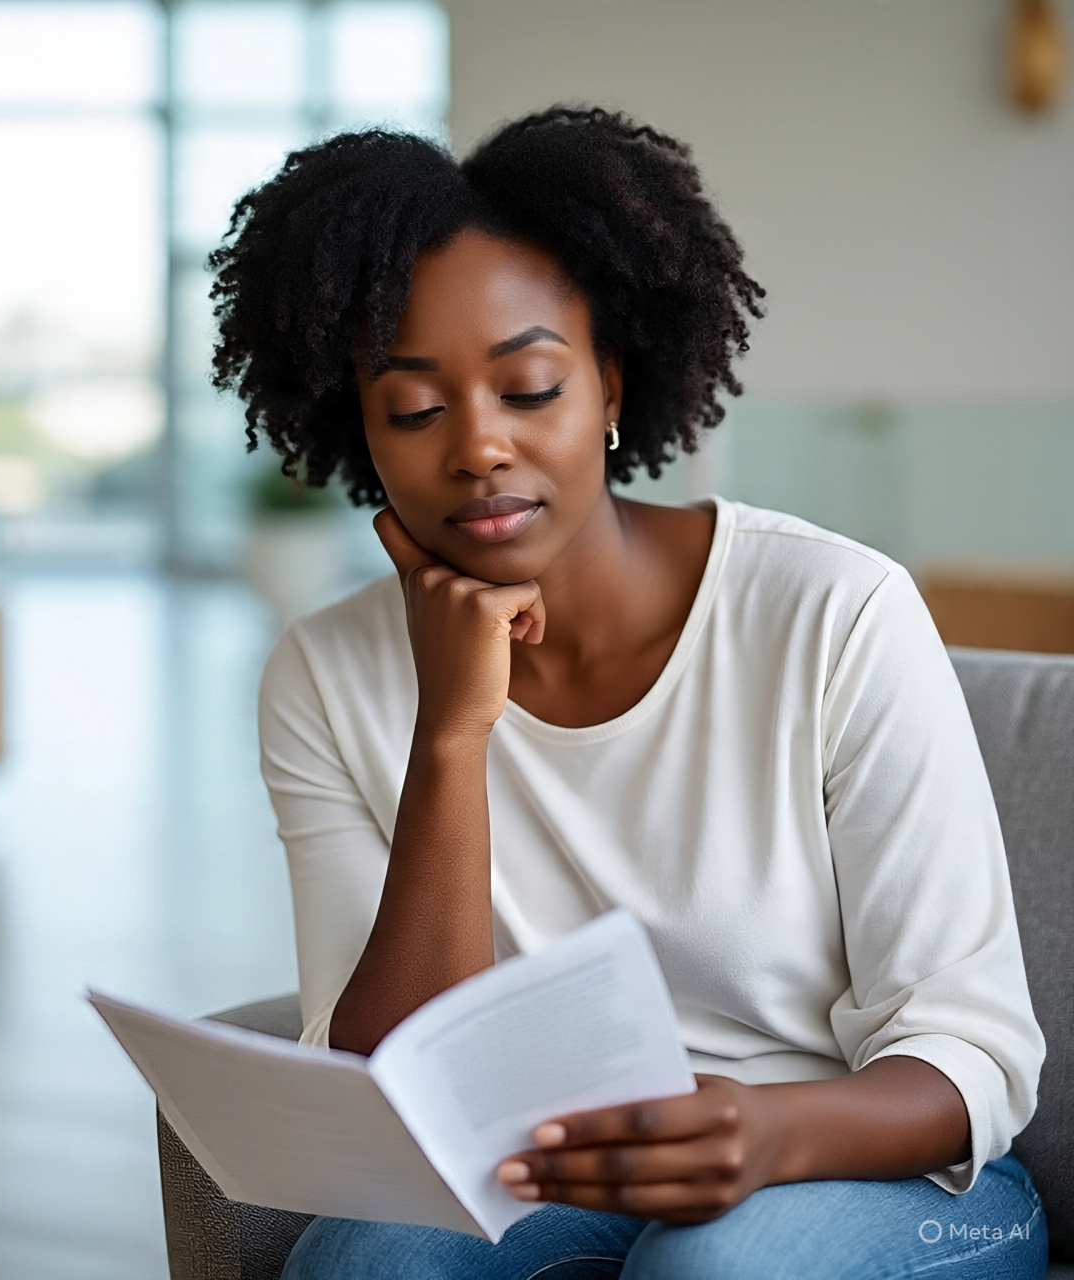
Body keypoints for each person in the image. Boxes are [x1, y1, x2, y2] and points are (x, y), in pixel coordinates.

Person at [208, 107, 1047, 1278]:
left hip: (882, 1169)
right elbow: (386, 1083)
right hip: (554, 1160)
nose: (478, 447)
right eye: (412, 407)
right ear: (357, 425)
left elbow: (973, 1054)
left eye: (530, 386)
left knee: (709, 1267)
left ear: (609, 382)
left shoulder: (832, 610)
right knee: (367, 1263)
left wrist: (763, 1131)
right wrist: (450, 734)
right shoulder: (325, 672)